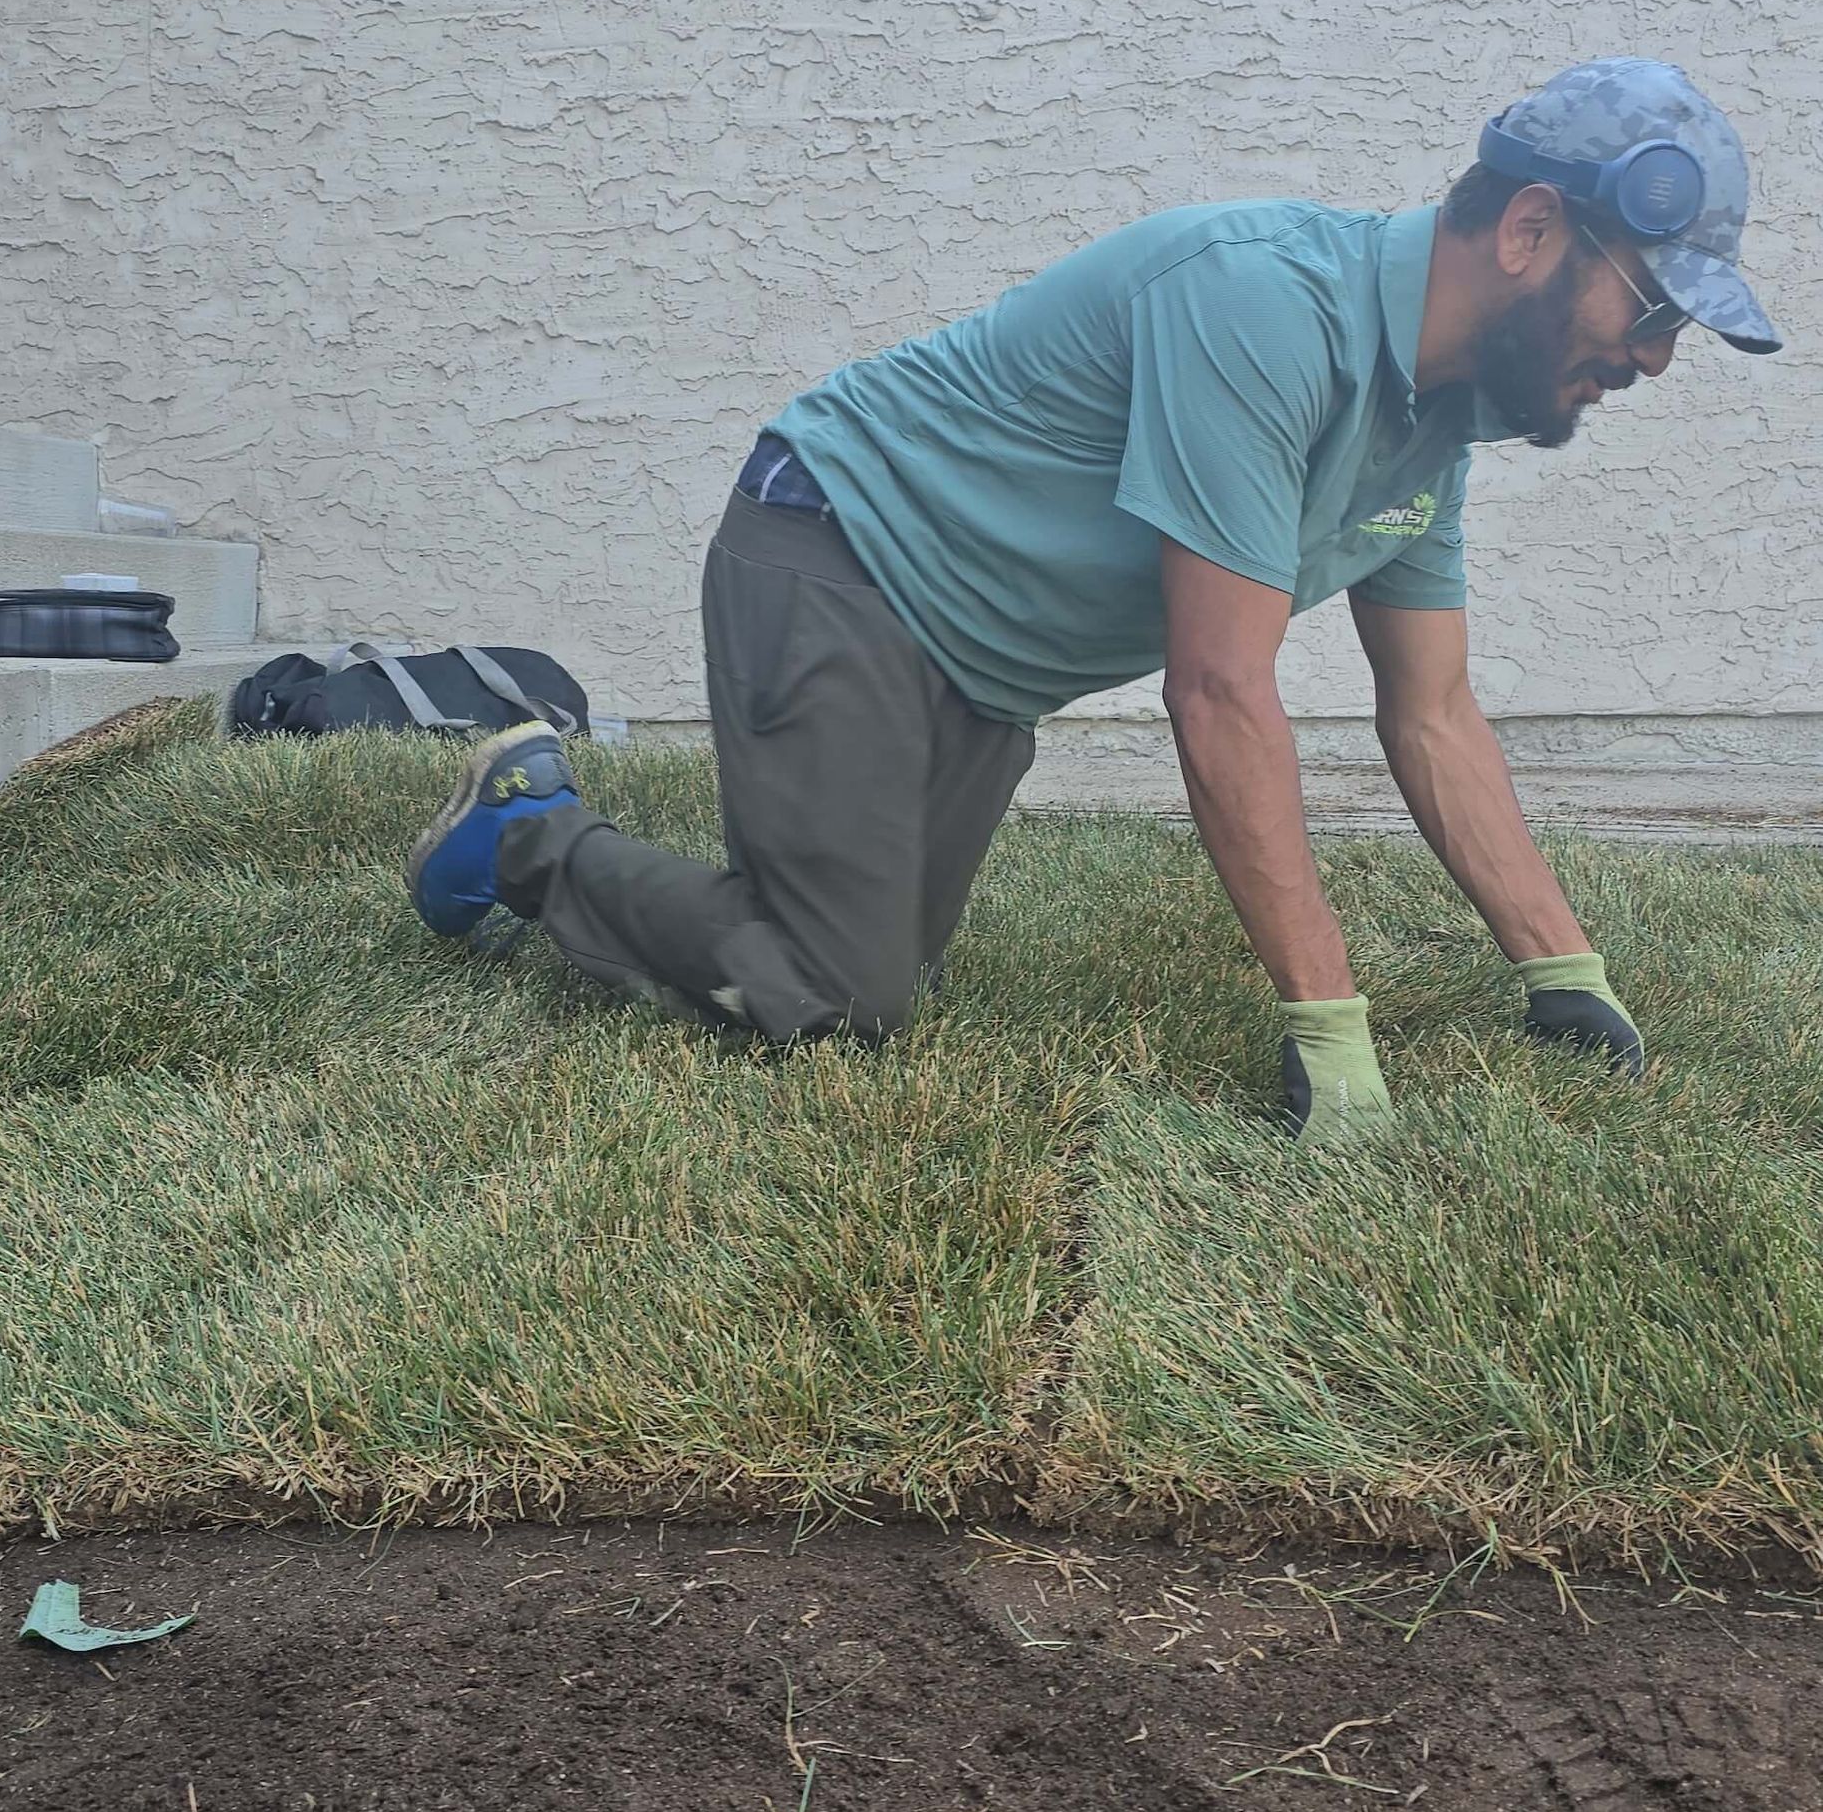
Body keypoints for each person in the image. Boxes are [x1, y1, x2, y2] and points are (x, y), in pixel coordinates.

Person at [408, 58, 1781, 1146]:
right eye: (1651, 312)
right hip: (837, 549)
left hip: (982, 668)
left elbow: (1433, 710)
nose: (1654, 361)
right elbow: (1220, 690)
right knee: (837, 992)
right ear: (1533, 229)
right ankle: (531, 834)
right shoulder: (1264, 306)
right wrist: (1328, 1030)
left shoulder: (1436, 418)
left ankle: (656, 859)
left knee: (849, 960)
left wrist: (1564, 973)